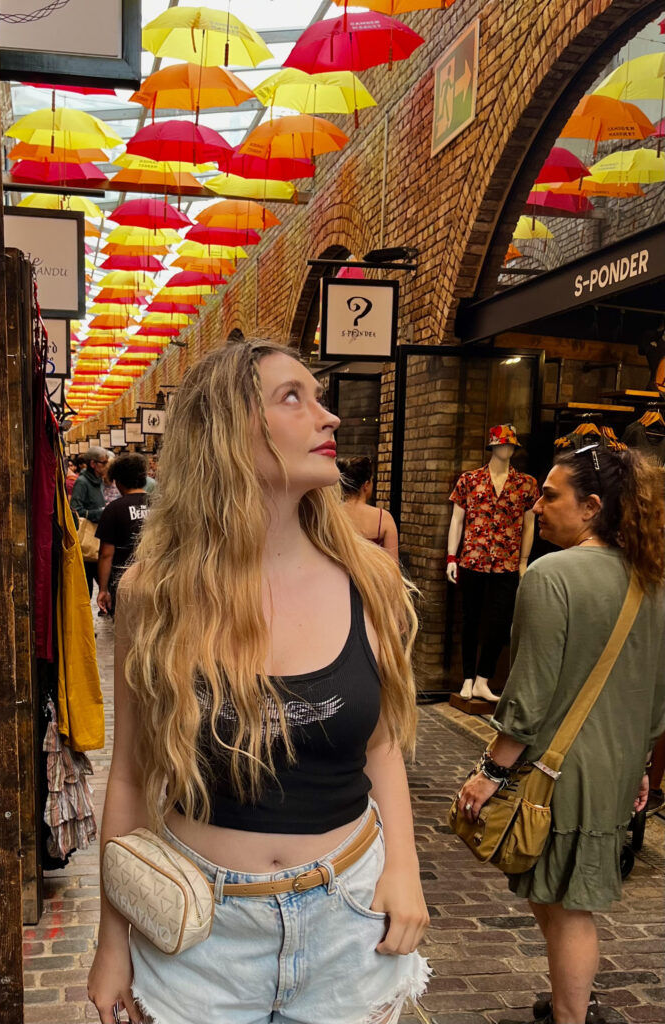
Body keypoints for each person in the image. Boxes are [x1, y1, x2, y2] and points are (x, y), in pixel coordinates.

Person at [89, 340, 430, 1024]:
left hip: (350, 921)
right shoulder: (154, 595)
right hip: (197, 932)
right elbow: (127, 777)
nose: (328, 418)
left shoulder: (371, 578)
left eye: (320, 397)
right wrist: (111, 937)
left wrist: (406, 870)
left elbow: (384, 744)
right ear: (224, 431)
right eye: (293, 398)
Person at [458, 444, 665, 1024]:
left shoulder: (553, 575)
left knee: (563, 903)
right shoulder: (652, 580)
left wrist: (490, 772)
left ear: (593, 505)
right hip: (615, 765)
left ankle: (571, 1016)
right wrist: (643, 769)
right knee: (558, 894)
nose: (537, 505)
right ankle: (572, 1001)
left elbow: (528, 694)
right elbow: (656, 694)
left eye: (550, 495)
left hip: (558, 768)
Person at [447, 425, 537, 703]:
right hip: (473, 558)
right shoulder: (470, 480)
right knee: (471, 620)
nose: (506, 449)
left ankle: (484, 679)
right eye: (501, 444)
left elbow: (529, 525)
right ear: (492, 447)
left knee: (499, 622)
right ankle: (468, 678)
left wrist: (523, 561)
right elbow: (457, 520)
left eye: (511, 445)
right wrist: (451, 557)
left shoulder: (526, 484)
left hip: (507, 562)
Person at [96, 453, 149, 618]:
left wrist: (103, 590)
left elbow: (106, 554)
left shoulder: (113, 509)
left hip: (124, 583)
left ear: (118, 481)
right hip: (157, 579)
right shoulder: (160, 503)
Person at [337, 455, 399, 562]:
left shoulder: (332, 514)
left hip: (337, 578)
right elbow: (393, 568)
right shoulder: (383, 518)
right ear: (366, 485)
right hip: (373, 578)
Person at [70, 446, 109, 598]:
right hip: (88, 540)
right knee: (87, 587)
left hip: (99, 537)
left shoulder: (98, 481)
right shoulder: (82, 482)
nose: (106, 466)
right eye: (103, 462)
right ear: (93, 464)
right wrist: (101, 512)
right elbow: (75, 510)